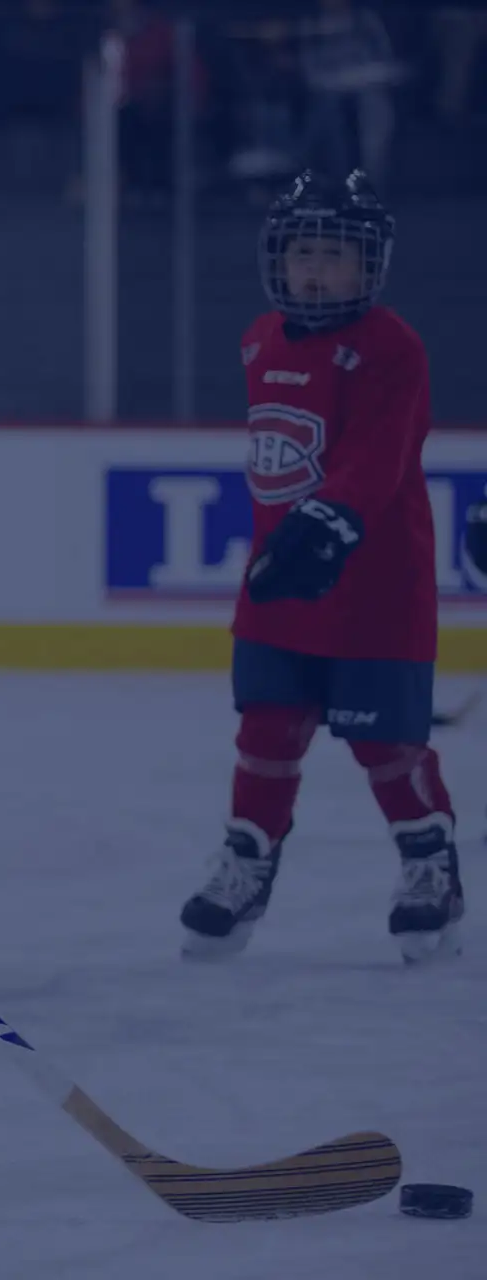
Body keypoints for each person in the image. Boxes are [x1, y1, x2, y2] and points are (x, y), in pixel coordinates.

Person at [180, 170, 461, 966]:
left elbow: (376, 462)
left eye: (335, 255)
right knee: (266, 731)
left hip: (376, 592)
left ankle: (428, 865)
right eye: (303, 252)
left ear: (370, 266)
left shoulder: (393, 348)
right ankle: (246, 861)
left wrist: (322, 527)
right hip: (279, 587)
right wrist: (290, 546)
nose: (315, 270)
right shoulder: (259, 337)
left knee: (388, 748)